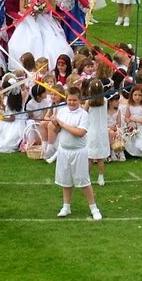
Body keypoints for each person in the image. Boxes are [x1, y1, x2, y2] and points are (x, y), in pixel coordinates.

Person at [48, 86, 102, 220]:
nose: (71, 103)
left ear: (80, 100)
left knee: (84, 181)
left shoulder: (83, 114)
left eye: (74, 100)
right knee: (65, 181)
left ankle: (94, 208)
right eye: (69, 100)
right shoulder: (61, 112)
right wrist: (55, 125)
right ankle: (66, 206)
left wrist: (62, 124)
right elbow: (57, 131)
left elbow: (80, 133)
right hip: (64, 151)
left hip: (79, 152)